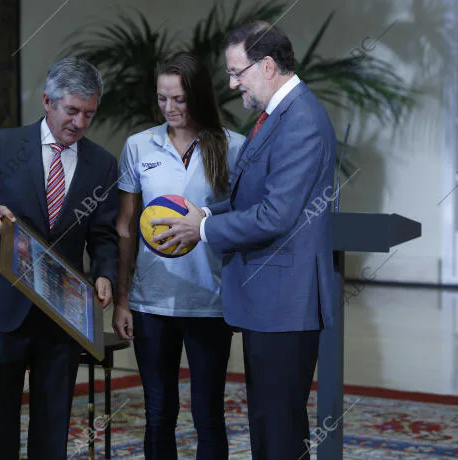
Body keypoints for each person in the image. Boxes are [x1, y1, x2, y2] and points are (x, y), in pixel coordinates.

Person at [152, 23, 337, 460]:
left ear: (267, 66)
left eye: (238, 72)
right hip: (267, 302)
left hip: (285, 302)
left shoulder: (302, 120)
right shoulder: (277, 116)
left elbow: (277, 214)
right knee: (269, 428)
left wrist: (203, 229)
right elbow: (250, 196)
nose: (232, 83)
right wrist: (206, 214)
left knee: (280, 433)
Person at [0, 57, 119, 459]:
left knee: (53, 424)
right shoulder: (3, 144)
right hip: (1, 307)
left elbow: (104, 235)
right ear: (48, 101)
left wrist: (105, 273)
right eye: (72, 111)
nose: (79, 122)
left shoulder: (102, 164)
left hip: (62, 312)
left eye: (89, 114)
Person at [112, 51, 245, 460]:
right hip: (152, 303)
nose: (170, 108)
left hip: (210, 302)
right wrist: (122, 300)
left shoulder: (233, 147)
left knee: (209, 415)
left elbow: (245, 222)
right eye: (162, 98)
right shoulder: (138, 147)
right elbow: (125, 228)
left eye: (180, 99)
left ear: (199, 96)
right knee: (158, 413)